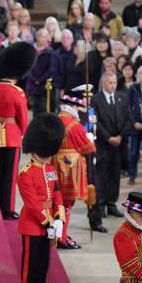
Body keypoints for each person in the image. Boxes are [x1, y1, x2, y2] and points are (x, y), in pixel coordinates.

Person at [17, 114, 65, 283]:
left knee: (43, 267)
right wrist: (49, 222)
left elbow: (57, 194)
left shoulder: (51, 169)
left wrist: (60, 217)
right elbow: (33, 205)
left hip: (49, 225)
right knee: (31, 269)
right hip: (32, 225)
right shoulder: (25, 173)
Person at [0, 41, 34, 219]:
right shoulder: (17, 92)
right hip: (12, 135)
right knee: (10, 174)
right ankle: (8, 209)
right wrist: (24, 134)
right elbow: (22, 117)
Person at [55, 91, 96, 249]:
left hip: (55, 164)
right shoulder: (74, 126)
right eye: (77, 107)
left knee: (58, 202)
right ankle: (62, 237)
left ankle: (59, 233)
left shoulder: (56, 121)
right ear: (72, 106)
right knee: (67, 204)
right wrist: (90, 138)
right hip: (71, 168)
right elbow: (88, 148)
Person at [91, 71, 133, 218]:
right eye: (110, 83)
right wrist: (108, 138)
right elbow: (95, 122)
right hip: (103, 144)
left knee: (115, 175)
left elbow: (129, 120)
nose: (113, 85)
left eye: (114, 82)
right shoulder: (95, 100)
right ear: (103, 83)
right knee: (102, 175)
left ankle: (111, 203)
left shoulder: (123, 98)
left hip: (119, 145)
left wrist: (121, 136)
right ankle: (100, 204)